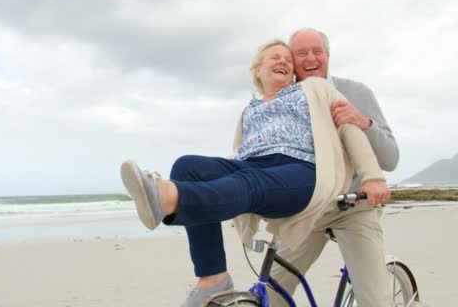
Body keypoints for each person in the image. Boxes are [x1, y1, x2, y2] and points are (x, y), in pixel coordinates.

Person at [120, 38, 391, 307]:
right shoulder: (251, 108)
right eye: (275, 57)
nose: (284, 61)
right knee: (188, 166)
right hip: (261, 171)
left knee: (374, 301)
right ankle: (212, 278)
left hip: (311, 178)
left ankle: (166, 197)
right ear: (257, 70)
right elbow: (243, 153)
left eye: (288, 58)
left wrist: (373, 177)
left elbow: (350, 130)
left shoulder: (317, 89)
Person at [263, 29, 400, 307]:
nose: (311, 58)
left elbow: (391, 159)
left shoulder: (356, 92)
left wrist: (364, 123)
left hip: (354, 207)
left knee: (375, 301)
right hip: (309, 210)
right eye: (302, 53)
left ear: (328, 56)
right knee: (270, 293)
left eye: (318, 51)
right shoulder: (283, 99)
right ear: (292, 60)